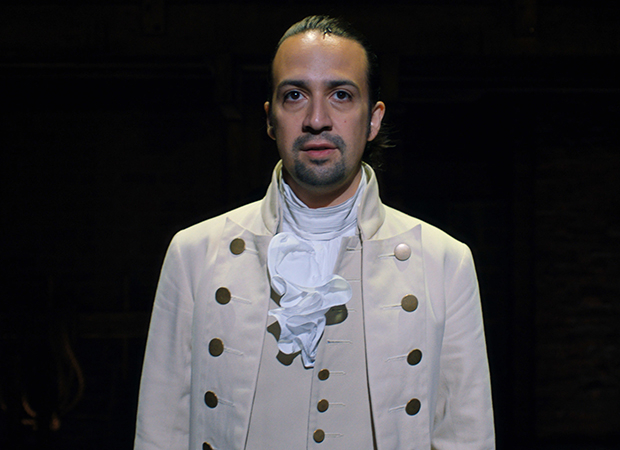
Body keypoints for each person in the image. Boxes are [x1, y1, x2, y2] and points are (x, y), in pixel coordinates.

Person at [134, 15, 495, 450]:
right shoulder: (194, 254)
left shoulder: (444, 262)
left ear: (374, 119)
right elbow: (161, 431)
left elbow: (465, 435)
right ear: (270, 119)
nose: (317, 119)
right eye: (295, 96)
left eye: (341, 95)